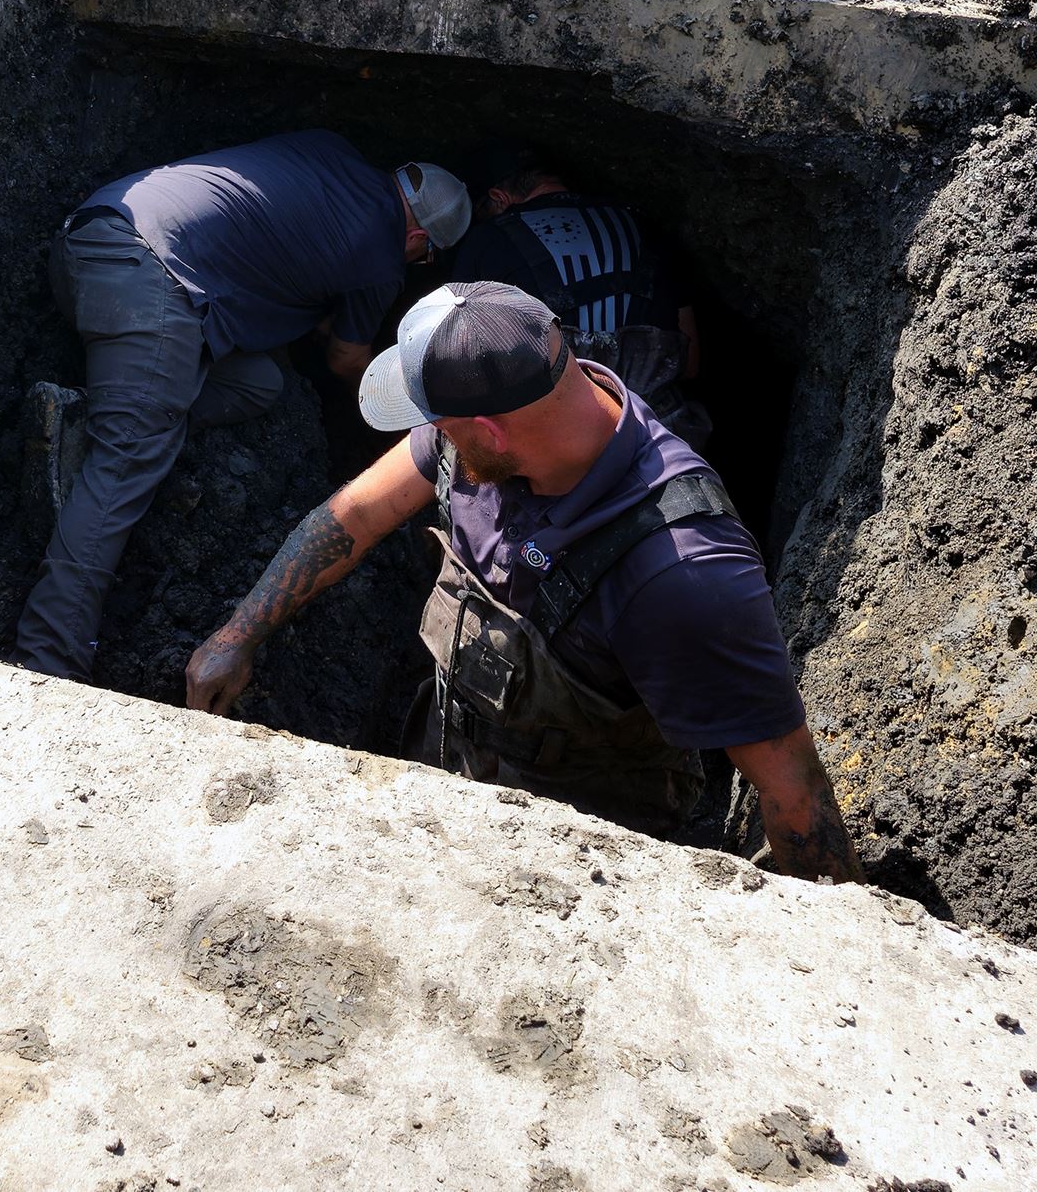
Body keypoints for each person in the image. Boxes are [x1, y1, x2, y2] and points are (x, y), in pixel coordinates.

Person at [184, 282, 860, 882]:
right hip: (453, 740)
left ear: (490, 433)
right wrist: (239, 634)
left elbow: (791, 784)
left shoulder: (681, 573)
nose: (428, 437)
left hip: (583, 838)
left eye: (436, 424)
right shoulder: (508, 401)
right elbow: (357, 514)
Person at [15, 134, 472, 679]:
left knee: (258, 383)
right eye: (426, 256)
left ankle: (93, 414)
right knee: (129, 460)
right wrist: (396, 427)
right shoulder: (381, 254)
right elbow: (349, 360)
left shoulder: (334, 156)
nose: (418, 262)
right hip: (150, 273)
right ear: (419, 237)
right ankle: (47, 660)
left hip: (93, 243)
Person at [448, 142, 708, 444]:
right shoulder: (644, 226)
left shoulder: (486, 240)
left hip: (556, 443)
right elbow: (690, 365)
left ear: (498, 198)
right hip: (660, 438)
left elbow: (462, 371)